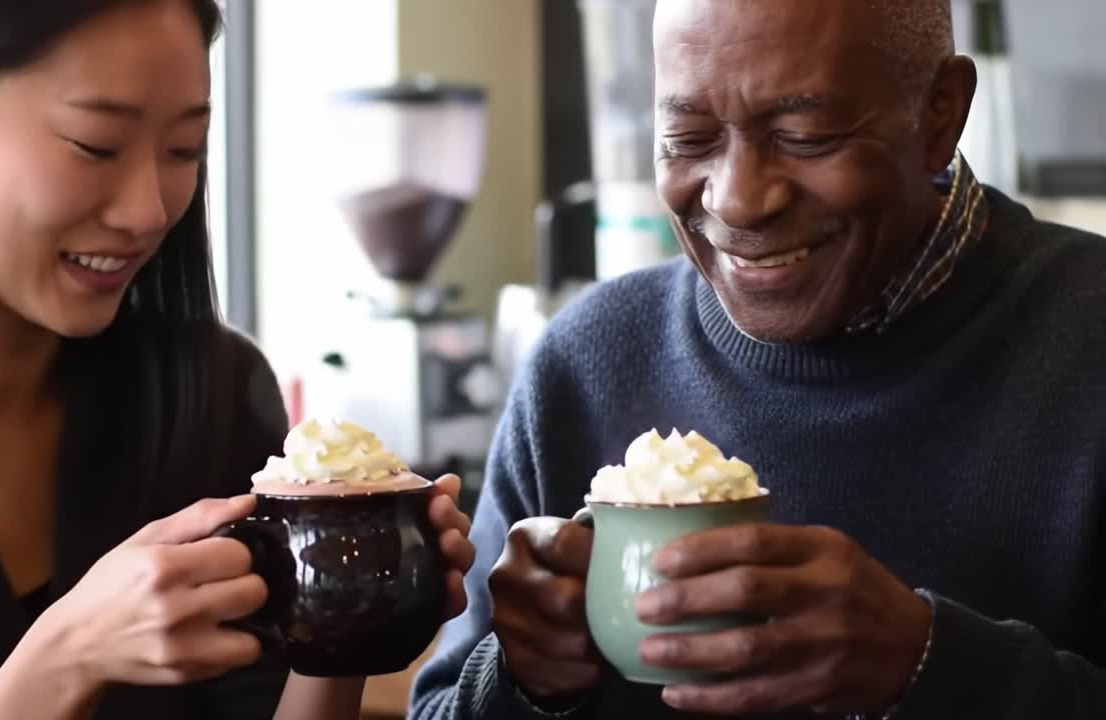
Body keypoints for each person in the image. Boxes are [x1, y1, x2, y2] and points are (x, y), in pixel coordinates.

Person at [411, 0, 1106, 718]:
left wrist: (929, 667)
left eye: (806, 137)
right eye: (687, 138)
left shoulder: (1085, 341)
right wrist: (522, 678)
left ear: (939, 115)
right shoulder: (583, 365)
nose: (739, 200)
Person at [0, 2, 475, 719]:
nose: (148, 211)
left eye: (184, 149)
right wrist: (70, 653)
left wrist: (344, 620)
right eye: (96, 144)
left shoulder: (212, 395)